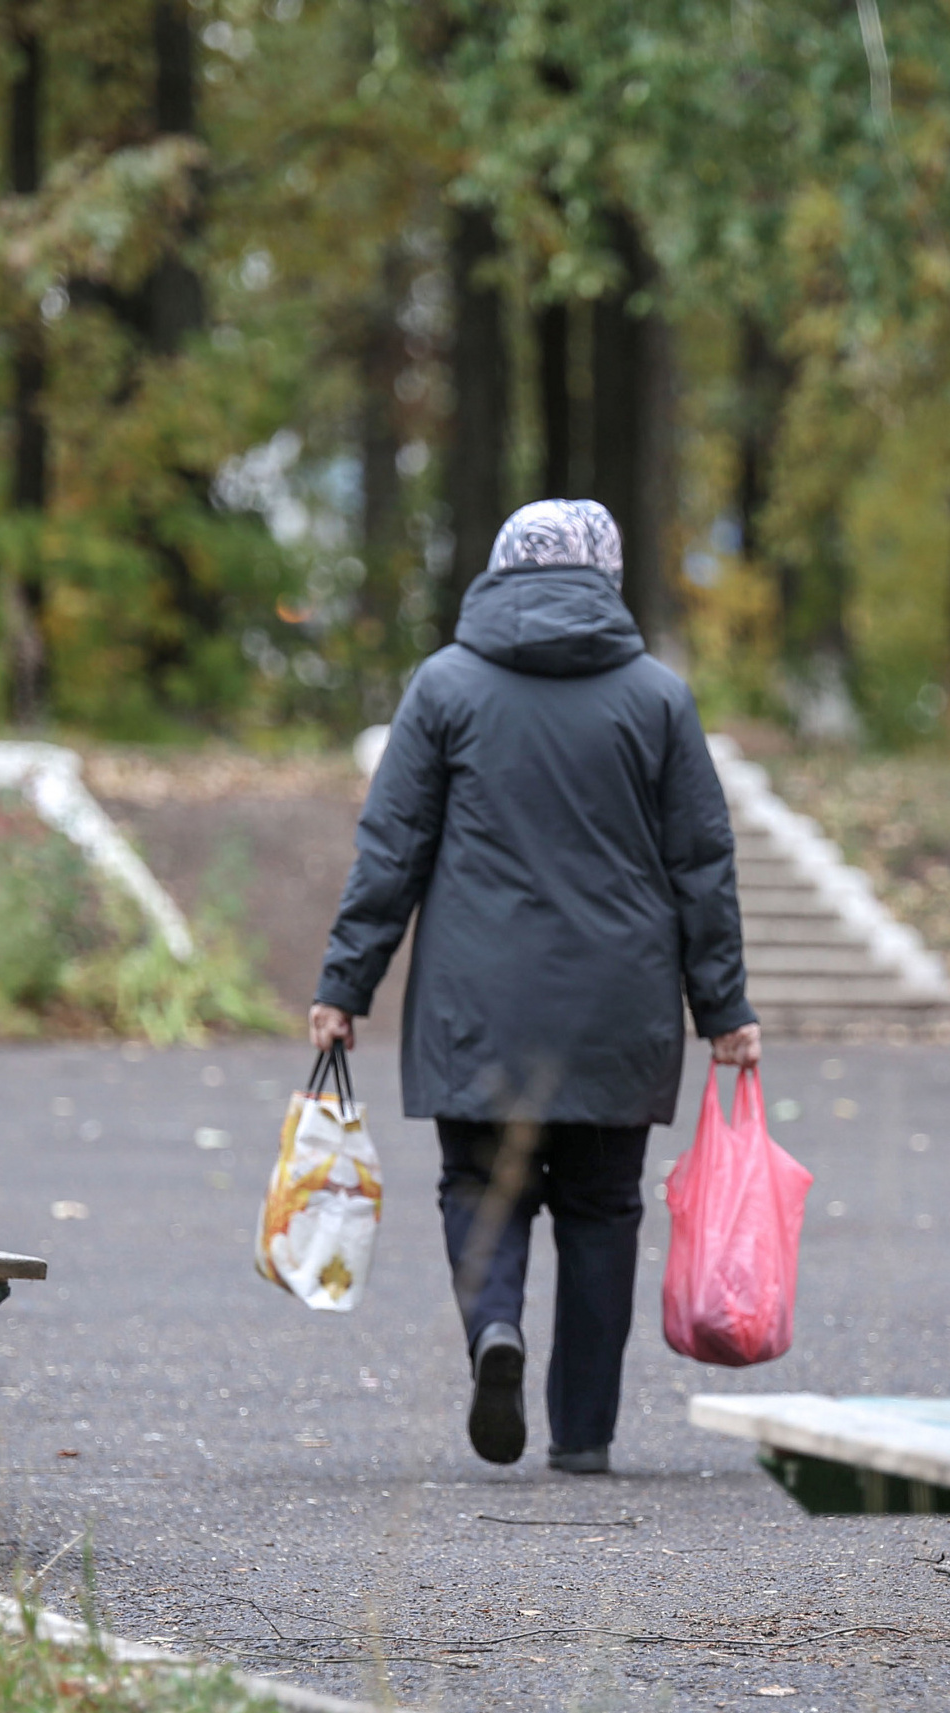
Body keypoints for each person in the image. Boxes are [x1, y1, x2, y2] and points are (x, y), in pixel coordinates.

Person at [311, 499, 758, 1476]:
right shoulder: (656, 698)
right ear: (607, 576)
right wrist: (725, 1010)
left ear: (501, 572)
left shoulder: (444, 688)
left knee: (481, 1185)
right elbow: (701, 866)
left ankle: (496, 1331)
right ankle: (585, 1436)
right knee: (602, 1211)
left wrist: (347, 983)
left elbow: (391, 852)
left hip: (480, 1006)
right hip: (618, 1008)